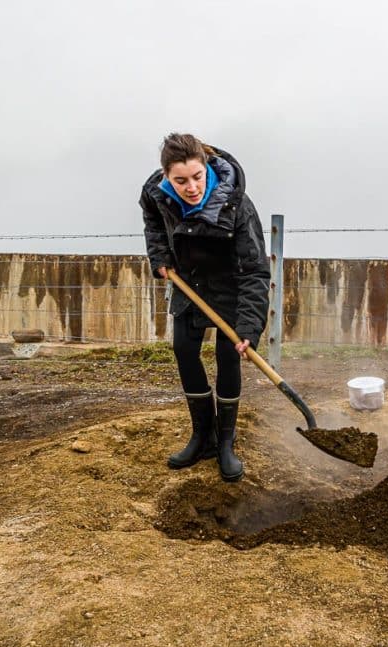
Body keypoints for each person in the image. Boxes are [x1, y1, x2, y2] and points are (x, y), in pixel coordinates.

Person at [141, 133, 270, 483]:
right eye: (180, 180)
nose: (191, 187)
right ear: (166, 175)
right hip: (190, 282)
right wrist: (161, 258)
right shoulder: (155, 194)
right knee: (184, 349)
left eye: (197, 177)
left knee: (228, 355)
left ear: (206, 167)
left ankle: (226, 442)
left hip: (231, 285)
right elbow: (154, 225)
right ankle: (203, 436)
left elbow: (255, 269)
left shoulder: (236, 204)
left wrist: (248, 328)